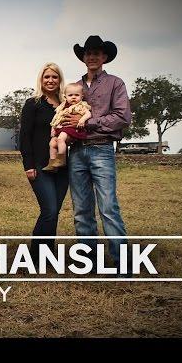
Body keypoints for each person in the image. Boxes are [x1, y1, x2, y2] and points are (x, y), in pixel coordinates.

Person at [61, 35, 131, 274]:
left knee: (108, 207)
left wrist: (90, 123)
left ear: (104, 57)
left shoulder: (115, 83)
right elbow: (63, 114)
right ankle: (88, 262)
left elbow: (122, 117)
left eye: (97, 53)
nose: (91, 56)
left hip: (101, 148)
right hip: (76, 151)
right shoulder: (74, 88)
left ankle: (123, 264)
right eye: (88, 53)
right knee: (81, 209)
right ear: (83, 57)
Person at [18, 63, 69, 265]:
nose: (50, 80)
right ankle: (34, 258)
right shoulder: (33, 104)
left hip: (64, 166)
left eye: (54, 77)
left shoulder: (67, 105)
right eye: (46, 77)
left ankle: (48, 256)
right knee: (48, 210)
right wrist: (28, 165)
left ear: (59, 80)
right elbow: (25, 137)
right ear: (41, 79)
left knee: (54, 212)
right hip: (40, 165)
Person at [42, 82, 92, 172]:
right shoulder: (62, 107)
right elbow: (56, 118)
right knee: (52, 143)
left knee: (61, 139)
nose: (73, 97)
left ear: (82, 96)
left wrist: (82, 120)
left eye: (77, 95)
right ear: (65, 96)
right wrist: (53, 128)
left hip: (71, 128)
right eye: (70, 95)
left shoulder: (81, 106)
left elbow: (88, 114)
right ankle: (52, 163)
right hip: (61, 128)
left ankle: (62, 159)